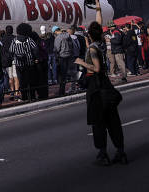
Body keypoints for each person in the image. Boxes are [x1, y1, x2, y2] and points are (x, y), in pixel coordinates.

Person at [75, 18, 128, 166]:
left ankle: (103, 153)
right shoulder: (101, 44)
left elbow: (96, 68)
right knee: (113, 121)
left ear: (89, 35)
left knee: (99, 122)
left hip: (96, 86)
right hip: (106, 85)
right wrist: (98, 8)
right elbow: (98, 25)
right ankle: (120, 151)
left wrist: (81, 62)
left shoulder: (92, 49)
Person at [10, 23, 39, 101]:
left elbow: (11, 51)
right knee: (31, 80)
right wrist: (35, 57)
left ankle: (24, 97)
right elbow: (35, 49)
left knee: (22, 81)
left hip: (19, 64)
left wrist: (15, 56)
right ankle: (32, 96)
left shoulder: (14, 40)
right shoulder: (29, 39)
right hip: (29, 63)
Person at [54, 24, 74, 96]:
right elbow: (72, 46)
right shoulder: (69, 36)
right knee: (67, 74)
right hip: (69, 56)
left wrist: (56, 56)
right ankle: (69, 88)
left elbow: (56, 48)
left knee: (61, 75)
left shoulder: (58, 37)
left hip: (61, 57)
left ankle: (61, 91)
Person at [0, 26, 18, 99]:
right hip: (14, 58)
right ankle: (17, 91)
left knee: (10, 77)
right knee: (16, 76)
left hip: (7, 60)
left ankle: (12, 91)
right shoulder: (15, 38)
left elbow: (1, 50)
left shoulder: (2, 39)